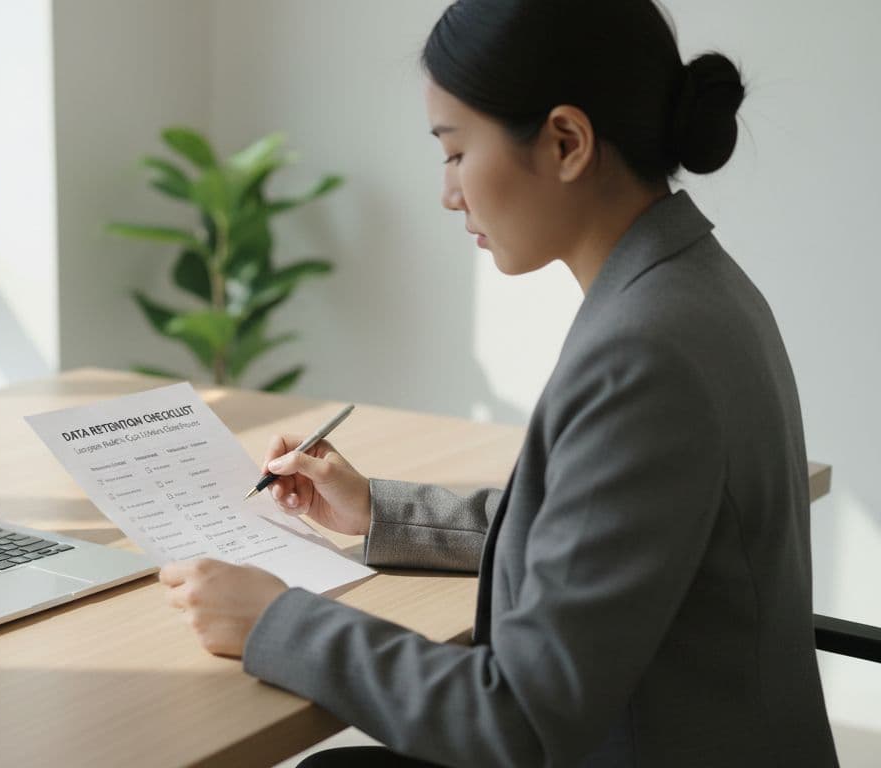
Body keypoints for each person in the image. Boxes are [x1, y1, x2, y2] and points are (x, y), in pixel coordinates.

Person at [156, 0, 840, 765]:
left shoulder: (644, 355)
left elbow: (518, 720)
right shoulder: (693, 287)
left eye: (455, 152)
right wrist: (377, 508)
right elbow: (588, 538)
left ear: (566, 142)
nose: (449, 192)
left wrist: (276, 622)